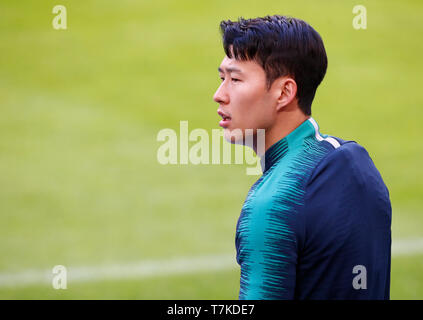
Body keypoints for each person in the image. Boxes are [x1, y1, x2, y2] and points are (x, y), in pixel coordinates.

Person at [213, 15, 392, 300]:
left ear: (284, 92)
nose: (219, 95)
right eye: (222, 78)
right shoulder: (359, 165)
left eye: (235, 79)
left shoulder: (271, 205)